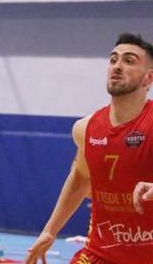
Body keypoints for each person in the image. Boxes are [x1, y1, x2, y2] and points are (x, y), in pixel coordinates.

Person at [27, 34, 153, 264]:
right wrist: (50, 230)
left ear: (148, 78)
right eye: (113, 59)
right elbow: (80, 177)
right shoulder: (86, 128)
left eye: (129, 60)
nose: (117, 66)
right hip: (99, 254)